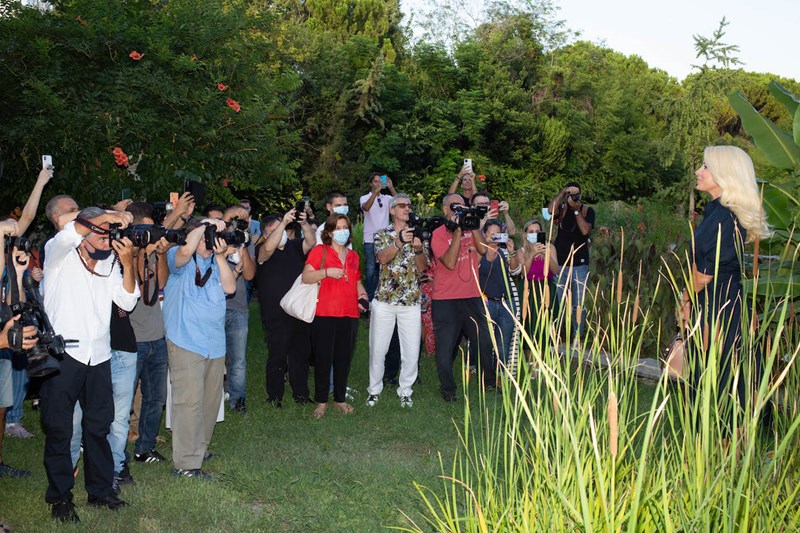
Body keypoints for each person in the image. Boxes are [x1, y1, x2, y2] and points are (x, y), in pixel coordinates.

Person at [41, 207, 138, 523]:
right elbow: (73, 231)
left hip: (99, 356)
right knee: (59, 429)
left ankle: (100, 491)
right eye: (102, 230)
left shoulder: (110, 262)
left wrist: (127, 263)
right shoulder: (58, 254)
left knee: (98, 427)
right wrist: (108, 216)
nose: (107, 237)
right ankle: (60, 497)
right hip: (62, 357)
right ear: (85, 230)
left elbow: (127, 301)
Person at [678, 146, 770, 423]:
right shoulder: (718, 212)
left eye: (706, 167)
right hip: (721, 302)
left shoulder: (723, 216)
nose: (699, 171)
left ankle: (724, 442)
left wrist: (684, 298)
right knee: (722, 371)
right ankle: (719, 439)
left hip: (716, 305)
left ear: (724, 174)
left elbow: (706, 272)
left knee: (720, 374)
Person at [162, 217, 236, 480]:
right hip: (186, 340)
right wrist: (203, 226)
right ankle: (184, 463)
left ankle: (199, 450)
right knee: (188, 402)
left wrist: (219, 257)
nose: (210, 240)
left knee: (209, 402)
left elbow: (230, 287)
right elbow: (183, 252)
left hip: (214, 343)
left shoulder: (217, 262)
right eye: (207, 235)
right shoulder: (177, 259)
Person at [126, 195, 194, 465]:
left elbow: (160, 284)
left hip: (156, 336)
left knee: (155, 398)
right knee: (123, 400)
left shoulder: (154, 253)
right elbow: (140, 289)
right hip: (132, 339)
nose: (154, 234)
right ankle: (115, 451)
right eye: (149, 229)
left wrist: (162, 252)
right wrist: (176, 213)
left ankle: (145, 448)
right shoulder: (125, 255)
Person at [430, 194, 495, 401]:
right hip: (446, 299)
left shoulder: (472, 228)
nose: (458, 210)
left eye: (462, 206)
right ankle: (448, 389)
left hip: (472, 296)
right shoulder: (438, 234)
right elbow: (449, 262)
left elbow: (484, 251)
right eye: (454, 207)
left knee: (484, 341)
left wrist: (473, 224)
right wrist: (457, 231)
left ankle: (490, 384)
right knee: (445, 347)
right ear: (445, 210)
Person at [302, 214, 367, 418]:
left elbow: (356, 282)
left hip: (349, 314)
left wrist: (363, 296)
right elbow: (306, 277)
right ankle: (321, 401)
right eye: (338, 228)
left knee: (343, 358)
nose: (343, 231)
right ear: (329, 232)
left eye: (345, 227)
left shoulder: (353, 256)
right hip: (325, 313)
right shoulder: (320, 251)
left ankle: (339, 398)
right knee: (323, 359)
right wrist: (327, 272)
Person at [365, 194, 427, 408]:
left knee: (410, 352)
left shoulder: (418, 234)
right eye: (401, 205)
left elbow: (422, 268)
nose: (406, 208)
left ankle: (406, 391)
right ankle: (374, 390)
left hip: (410, 301)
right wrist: (400, 241)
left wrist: (418, 248)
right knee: (378, 350)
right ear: (392, 211)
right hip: (384, 301)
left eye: (408, 206)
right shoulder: (382, 234)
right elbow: (382, 258)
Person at [256, 208, 316, 407]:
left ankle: (301, 394)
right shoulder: (262, 250)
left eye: (282, 229)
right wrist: (282, 224)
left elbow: (311, 242)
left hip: (298, 309)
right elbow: (266, 251)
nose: (280, 234)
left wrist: (304, 223)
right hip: (275, 312)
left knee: (300, 353)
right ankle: (274, 396)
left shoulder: (295, 246)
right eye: (274, 231)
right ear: (265, 235)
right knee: (278, 354)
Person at [0, 218, 38, 479]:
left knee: (1, 408)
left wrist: (18, 271)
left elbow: (16, 305)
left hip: (3, 345)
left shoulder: (8, 266)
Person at [221, 205, 256, 414]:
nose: (237, 223)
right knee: (214, 359)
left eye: (242, 220)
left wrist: (242, 245)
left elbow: (250, 275)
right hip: (213, 308)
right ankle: (214, 400)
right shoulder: (214, 237)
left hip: (238, 307)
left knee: (238, 360)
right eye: (234, 219)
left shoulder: (245, 241)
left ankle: (238, 401)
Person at [548, 182, 595, 339]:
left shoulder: (587, 210)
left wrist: (576, 211)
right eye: (571, 194)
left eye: (576, 194)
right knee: (558, 303)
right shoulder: (561, 209)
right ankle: (555, 336)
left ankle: (577, 338)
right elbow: (548, 211)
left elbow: (585, 230)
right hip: (561, 264)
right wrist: (562, 193)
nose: (573, 197)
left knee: (578, 306)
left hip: (580, 266)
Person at [478, 219, 522, 373]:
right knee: (486, 341)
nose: (495, 237)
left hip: (506, 303)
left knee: (504, 343)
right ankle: (485, 373)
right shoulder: (478, 253)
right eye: (492, 234)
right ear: (484, 234)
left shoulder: (504, 252)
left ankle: (501, 375)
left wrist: (512, 252)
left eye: (499, 234)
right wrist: (486, 247)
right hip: (486, 303)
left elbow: (516, 271)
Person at [360, 173, 398, 300]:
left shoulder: (387, 198)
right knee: (370, 270)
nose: (378, 184)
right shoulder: (364, 197)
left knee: (384, 268)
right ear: (370, 184)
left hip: (385, 239)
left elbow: (400, 202)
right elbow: (366, 207)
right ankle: (370, 300)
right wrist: (375, 193)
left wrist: (391, 187)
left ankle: (382, 296)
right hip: (370, 239)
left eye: (379, 181)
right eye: (375, 182)